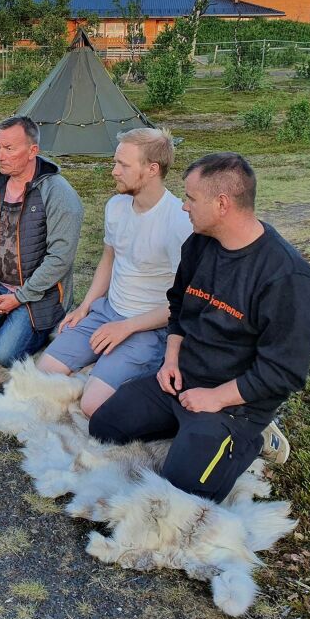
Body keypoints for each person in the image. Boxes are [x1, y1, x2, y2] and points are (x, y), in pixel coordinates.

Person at [87, 153, 310, 503]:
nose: (184, 206)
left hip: (234, 403)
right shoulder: (199, 243)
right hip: (182, 378)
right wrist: (171, 360)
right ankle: (187, 428)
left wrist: (214, 398)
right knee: (105, 427)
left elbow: (284, 372)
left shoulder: (288, 279)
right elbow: (178, 305)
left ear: (222, 204)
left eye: (191, 198)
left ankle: (255, 437)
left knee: (181, 491)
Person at [36, 128, 193, 417]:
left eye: (123, 165)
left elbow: (182, 304)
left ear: (151, 169)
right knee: (45, 371)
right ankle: (102, 365)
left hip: (148, 325)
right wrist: (85, 307)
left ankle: (129, 372)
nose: (114, 171)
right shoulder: (116, 206)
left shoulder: (178, 223)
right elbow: (109, 258)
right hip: (108, 310)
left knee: (92, 405)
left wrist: (127, 327)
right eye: (115, 162)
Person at [0, 116, 83, 367]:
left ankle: (33, 325)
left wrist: (20, 298)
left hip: (39, 294)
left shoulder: (59, 193)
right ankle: (8, 320)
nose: (0, 155)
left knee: (5, 355)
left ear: (33, 150)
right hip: (0, 286)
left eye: (9, 148)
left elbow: (60, 259)